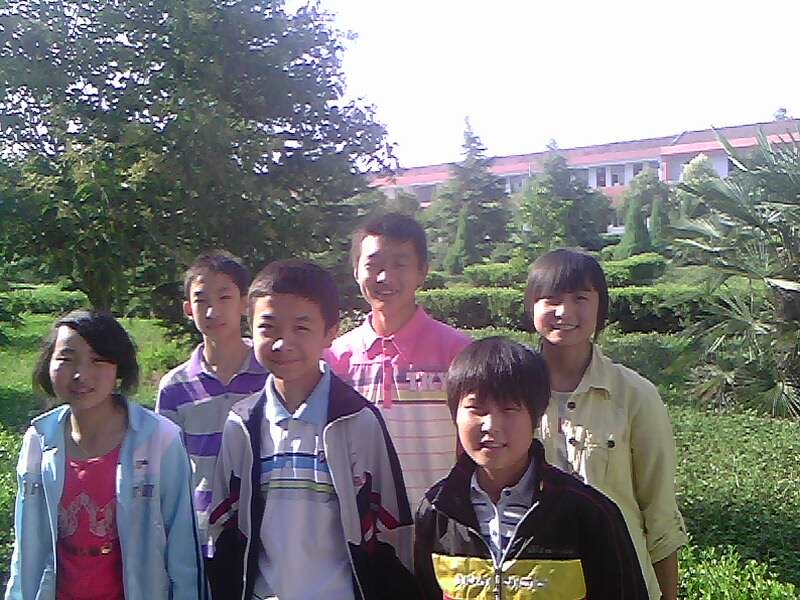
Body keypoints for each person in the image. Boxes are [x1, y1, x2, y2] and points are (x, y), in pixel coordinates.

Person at [209, 259, 417, 600]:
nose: (283, 343)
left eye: (301, 328)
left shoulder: (358, 421)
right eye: (268, 327)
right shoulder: (242, 425)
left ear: (331, 332)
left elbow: (392, 529)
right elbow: (223, 524)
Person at [414, 337, 648, 600]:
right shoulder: (437, 512)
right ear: (454, 415)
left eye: (509, 409)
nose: (491, 425)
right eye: (476, 409)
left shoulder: (588, 513)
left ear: (536, 417)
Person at [5, 310, 204, 600]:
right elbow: (25, 549)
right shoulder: (39, 440)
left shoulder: (159, 440)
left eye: (97, 360)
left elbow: (183, 548)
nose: (80, 374)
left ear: (118, 367)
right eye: (66, 358)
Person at [526, 248, 688, 600]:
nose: (564, 311)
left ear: (600, 308)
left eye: (580, 298)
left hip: (619, 579)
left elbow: (659, 512)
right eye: (551, 299)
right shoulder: (512, 391)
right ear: (532, 306)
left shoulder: (635, 395)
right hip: (535, 584)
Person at [326, 212, 470, 505]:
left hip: (439, 521)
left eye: (400, 264)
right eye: (373, 265)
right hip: (361, 524)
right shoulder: (334, 358)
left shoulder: (459, 353)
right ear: (356, 271)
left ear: (422, 272)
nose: (385, 277)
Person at [156, 249, 267, 591]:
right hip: (201, 532)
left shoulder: (272, 374)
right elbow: (167, 468)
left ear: (245, 303)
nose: (212, 311)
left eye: (224, 297)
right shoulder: (175, 387)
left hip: (265, 524)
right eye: (201, 300)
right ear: (188, 308)